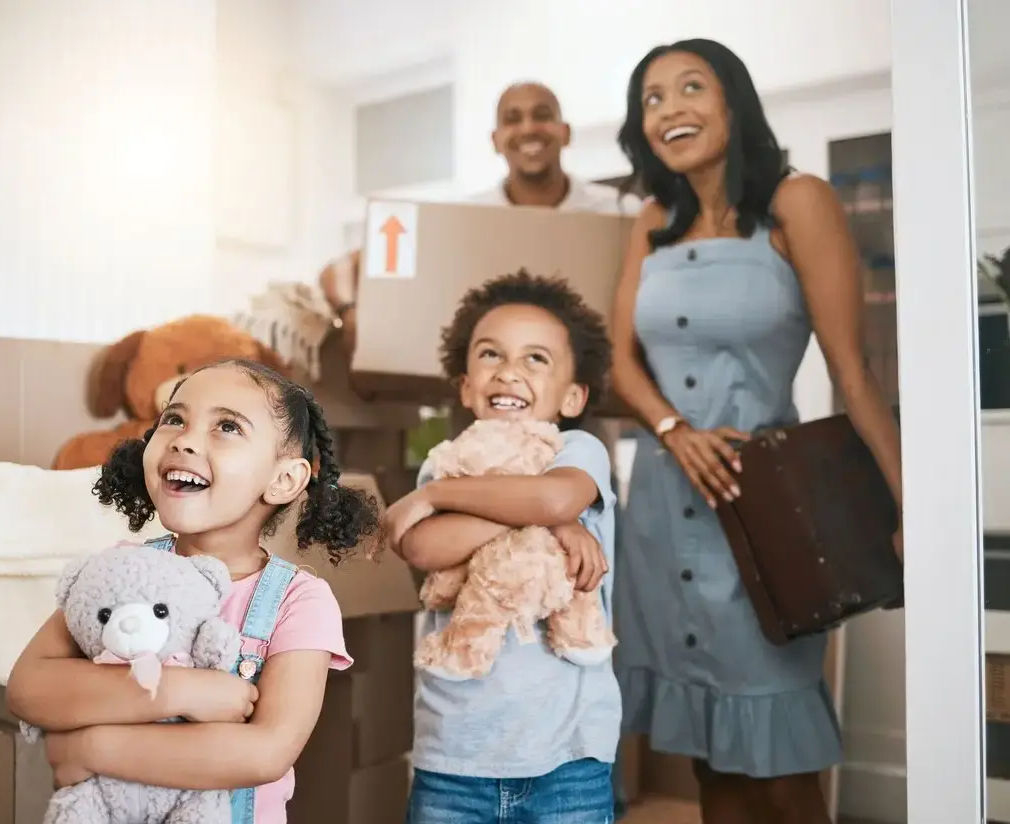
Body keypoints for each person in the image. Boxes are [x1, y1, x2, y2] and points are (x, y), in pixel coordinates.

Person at [610, 39, 903, 824]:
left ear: (733, 102)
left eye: (691, 88)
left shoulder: (797, 202)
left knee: (781, 766)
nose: (670, 109)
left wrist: (906, 504)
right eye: (652, 98)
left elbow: (853, 370)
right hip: (661, 509)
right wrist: (673, 430)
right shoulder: (652, 221)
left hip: (761, 508)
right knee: (710, 759)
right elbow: (620, 362)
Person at [6, 359, 381, 824]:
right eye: (174, 419)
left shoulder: (299, 601)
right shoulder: (121, 569)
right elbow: (29, 687)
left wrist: (91, 747)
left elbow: (265, 751)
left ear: (283, 480)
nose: (184, 439)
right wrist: (180, 690)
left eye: (227, 426)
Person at [382, 271, 620, 823]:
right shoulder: (448, 459)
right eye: (491, 354)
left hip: (568, 757)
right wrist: (547, 519)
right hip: (455, 755)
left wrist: (440, 497)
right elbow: (425, 546)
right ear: (466, 386)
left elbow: (556, 495)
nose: (509, 371)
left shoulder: (577, 449)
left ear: (573, 396)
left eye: (536, 359)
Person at [318, 81, 627, 353]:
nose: (528, 128)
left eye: (542, 115)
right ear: (495, 140)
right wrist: (349, 312)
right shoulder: (464, 219)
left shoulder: (620, 210)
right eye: (512, 119)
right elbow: (340, 269)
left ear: (566, 133)